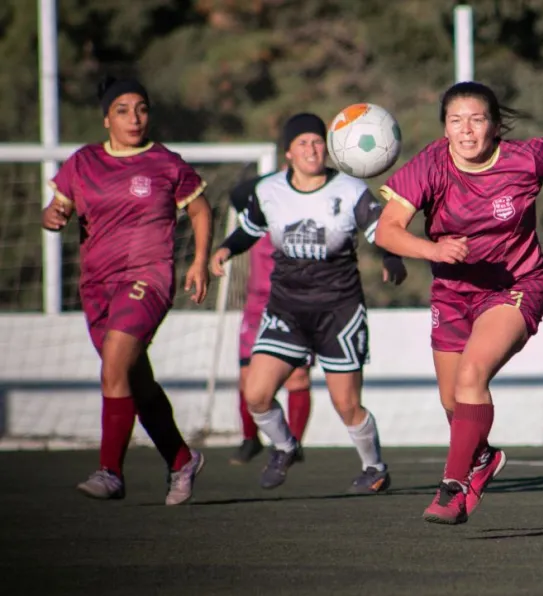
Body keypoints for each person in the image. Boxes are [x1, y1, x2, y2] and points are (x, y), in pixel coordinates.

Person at [375, 81, 543, 525]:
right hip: (452, 291)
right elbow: (387, 230)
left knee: (472, 376)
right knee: (453, 401)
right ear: (444, 128)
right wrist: (434, 251)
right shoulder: (430, 164)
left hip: (516, 286)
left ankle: (452, 486)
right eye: (455, 121)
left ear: (496, 125)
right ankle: (483, 460)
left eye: (477, 119)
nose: (466, 131)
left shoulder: (528, 157)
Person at [209, 113, 407, 492]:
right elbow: (249, 229)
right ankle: (284, 447)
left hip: (339, 312)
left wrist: (392, 258)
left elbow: (381, 230)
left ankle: (374, 468)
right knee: (257, 394)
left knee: (347, 405)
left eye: (318, 142)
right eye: (303, 143)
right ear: (288, 152)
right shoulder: (268, 190)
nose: (312, 149)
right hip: (287, 309)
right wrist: (224, 250)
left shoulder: (350, 188)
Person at [43, 76, 212, 505]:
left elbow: (199, 208)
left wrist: (198, 261)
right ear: (106, 119)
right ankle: (181, 460)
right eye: (122, 110)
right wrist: (54, 214)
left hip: (147, 277)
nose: (134, 118)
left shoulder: (166, 163)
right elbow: (59, 204)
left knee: (113, 368)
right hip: (97, 286)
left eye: (141, 108)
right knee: (134, 380)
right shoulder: (82, 162)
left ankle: (110, 472)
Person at [228, 175, 313, 466]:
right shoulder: (258, 213)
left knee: (298, 376)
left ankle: (294, 445)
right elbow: (238, 191)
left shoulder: (303, 214)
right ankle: (250, 440)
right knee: (246, 377)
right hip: (257, 305)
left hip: (293, 305)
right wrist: (280, 177)